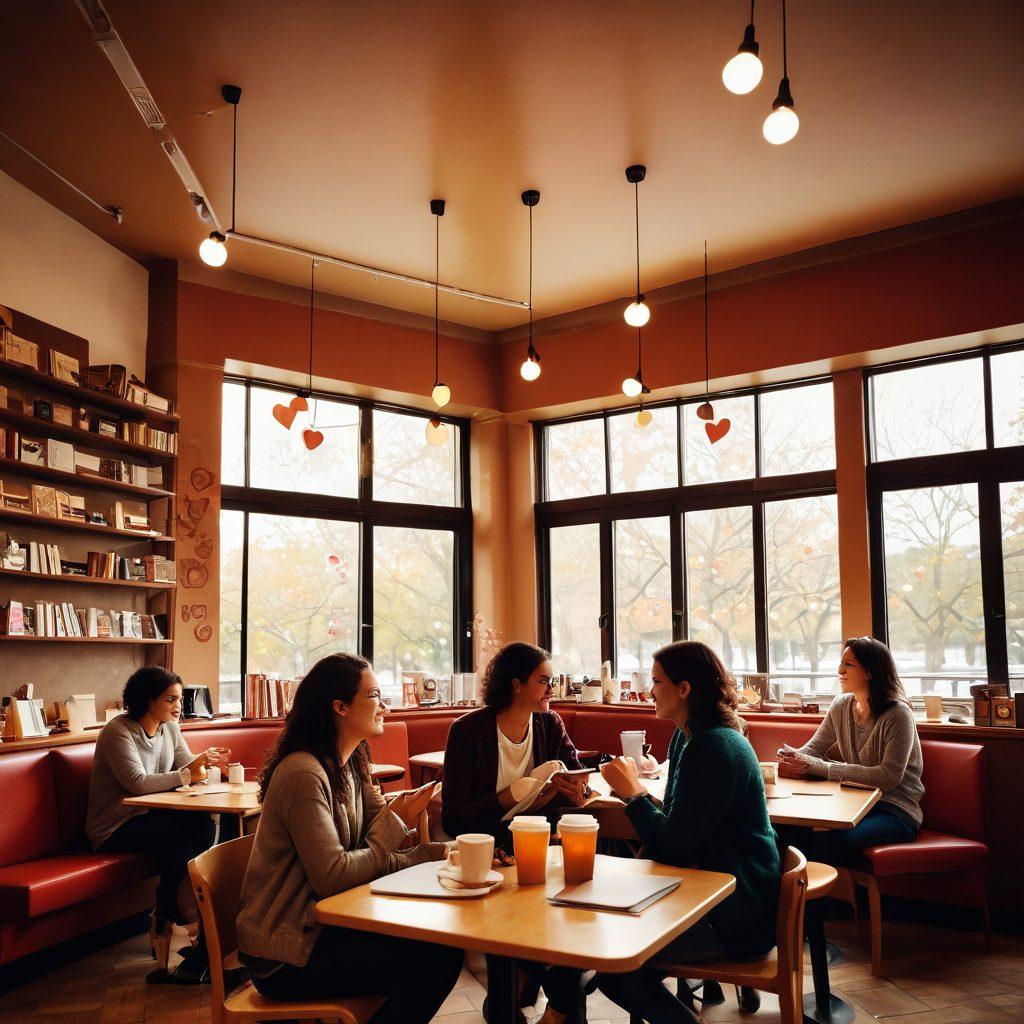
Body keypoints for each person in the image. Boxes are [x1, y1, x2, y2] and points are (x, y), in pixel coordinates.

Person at [555, 642, 781, 1024]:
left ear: (684, 689)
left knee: (613, 967)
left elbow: (675, 847)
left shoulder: (713, 746)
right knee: (589, 931)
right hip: (711, 893)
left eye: (657, 681)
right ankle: (560, 1003)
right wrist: (638, 799)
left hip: (734, 915)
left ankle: (557, 1004)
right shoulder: (688, 737)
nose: (649, 690)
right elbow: (679, 826)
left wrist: (632, 792)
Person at [235, 653, 462, 1024]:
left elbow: (381, 839)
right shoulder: (303, 774)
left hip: (331, 924)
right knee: (436, 959)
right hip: (287, 950)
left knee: (439, 942)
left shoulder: (352, 764)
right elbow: (334, 874)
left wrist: (441, 850)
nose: (385, 706)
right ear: (340, 707)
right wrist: (412, 836)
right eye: (374, 696)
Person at [87, 666, 230, 983]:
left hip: (150, 817)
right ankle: (177, 915)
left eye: (179, 698)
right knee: (179, 840)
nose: (178, 706)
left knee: (203, 826)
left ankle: (169, 912)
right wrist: (189, 773)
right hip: (115, 825)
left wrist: (202, 761)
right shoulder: (118, 732)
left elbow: (186, 766)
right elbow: (136, 783)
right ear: (148, 700)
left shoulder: (170, 728)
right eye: (171, 699)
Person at [776, 636, 923, 865]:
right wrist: (791, 757)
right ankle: (793, 897)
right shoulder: (841, 705)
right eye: (841, 663)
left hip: (895, 811)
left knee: (835, 842)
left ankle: (817, 898)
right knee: (787, 831)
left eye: (849, 665)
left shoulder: (898, 714)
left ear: (870, 671)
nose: (840, 670)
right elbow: (814, 749)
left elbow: (889, 776)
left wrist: (823, 768)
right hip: (853, 803)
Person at [441, 641, 588, 848]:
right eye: (543, 682)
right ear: (517, 685)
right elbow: (453, 820)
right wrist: (512, 795)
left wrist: (575, 789)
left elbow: (576, 781)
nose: (551, 690)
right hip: (489, 846)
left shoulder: (550, 724)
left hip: (542, 841)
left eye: (551, 682)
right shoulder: (466, 731)